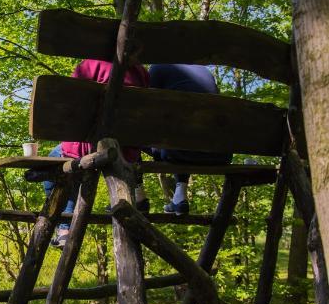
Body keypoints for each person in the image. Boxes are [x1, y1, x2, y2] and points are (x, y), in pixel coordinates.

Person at [43, 58, 150, 248]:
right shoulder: (140, 71)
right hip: (126, 150)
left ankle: (64, 229)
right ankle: (132, 197)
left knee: (52, 162)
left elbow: (71, 108)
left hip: (89, 148)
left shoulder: (89, 65)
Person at [148, 63, 232, 215]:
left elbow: (145, 110)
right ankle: (180, 197)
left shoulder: (158, 67)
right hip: (221, 155)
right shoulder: (204, 70)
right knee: (183, 136)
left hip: (178, 152)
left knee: (128, 131)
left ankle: (137, 195)